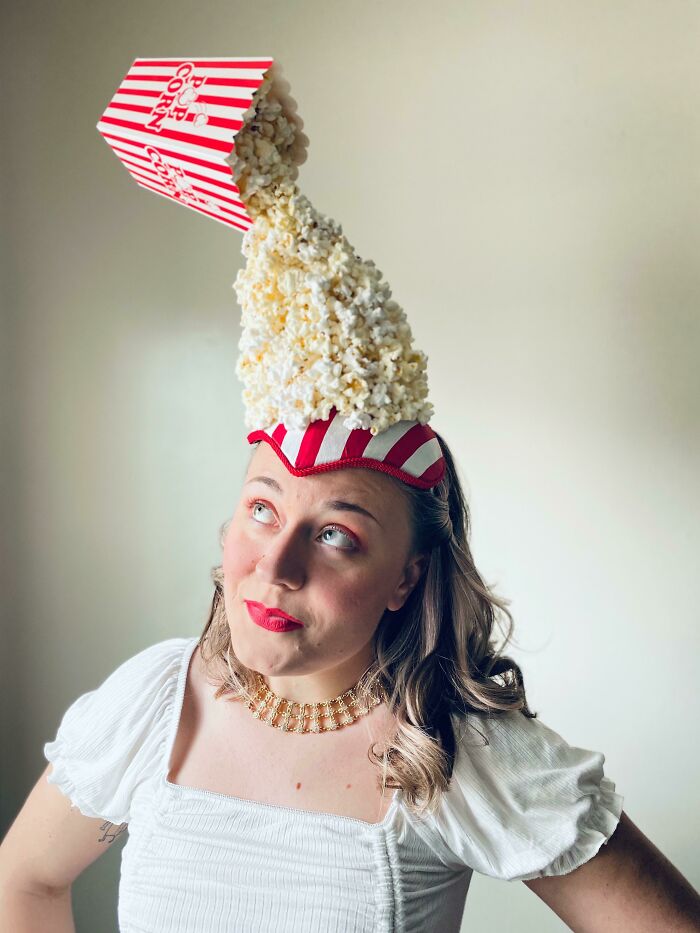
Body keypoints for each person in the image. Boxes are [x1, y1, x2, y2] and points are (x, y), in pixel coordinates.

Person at [2, 59, 699, 932]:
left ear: (406, 576)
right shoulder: (152, 705)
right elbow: (24, 880)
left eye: (336, 534)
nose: (276, 564)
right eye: (263, 507)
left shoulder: (456, 754)